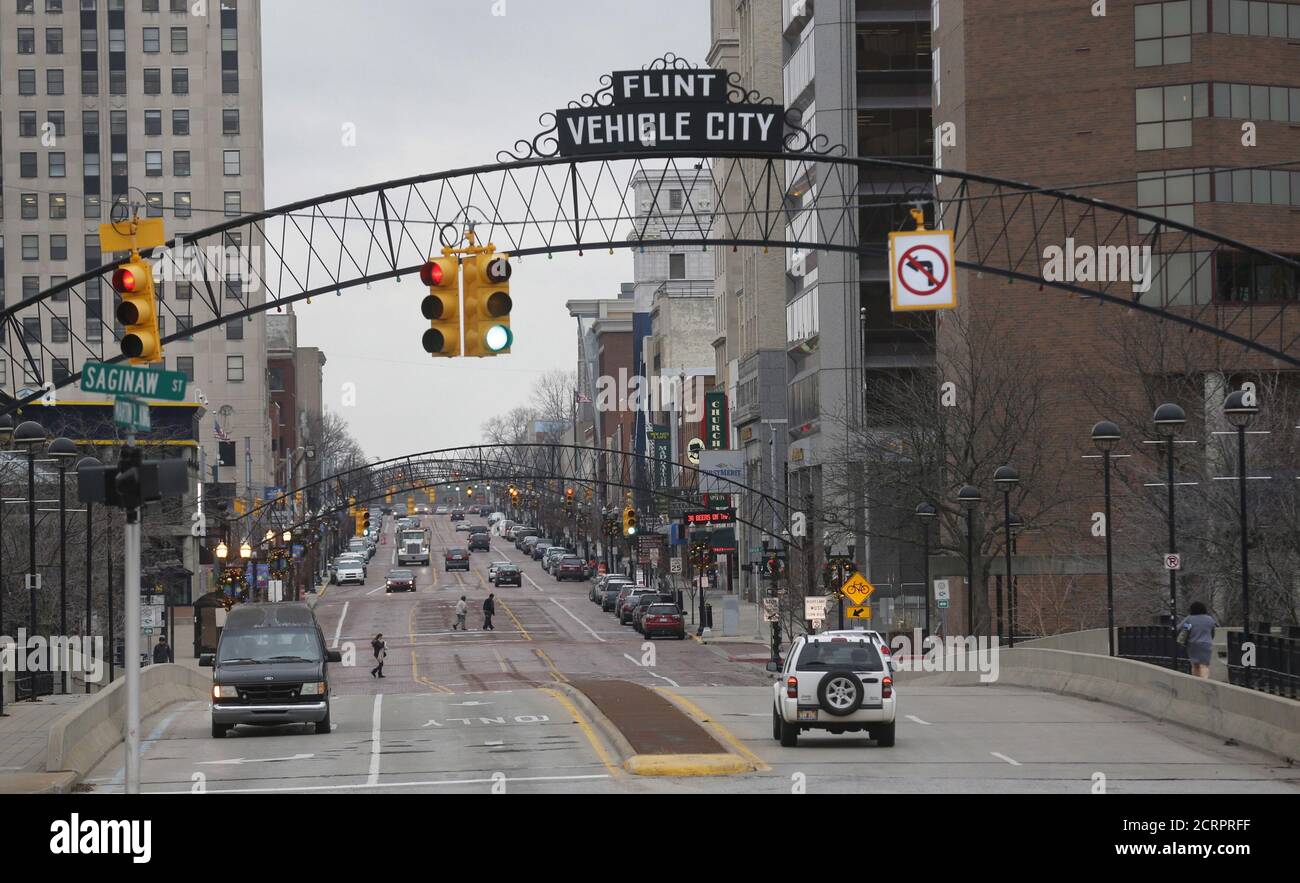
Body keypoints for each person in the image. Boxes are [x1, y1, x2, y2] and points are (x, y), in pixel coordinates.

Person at [1178, 601, 1217, 679]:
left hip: (1193, 644)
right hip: (1206, 644)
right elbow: (1212, 632)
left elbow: (1179, 628)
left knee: (1195, 665)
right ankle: (1204, 680)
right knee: (1204, 665)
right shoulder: (1209, 619)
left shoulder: (1190, 619)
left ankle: (1196, 681)